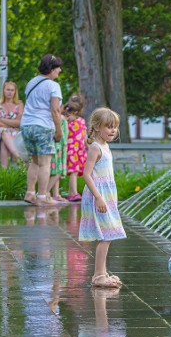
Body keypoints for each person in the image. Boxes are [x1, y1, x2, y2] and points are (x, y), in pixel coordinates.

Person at [79, 108, 127, 287]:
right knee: (105, 236)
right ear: (97, 127)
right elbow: (86, 174)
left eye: (115, 127)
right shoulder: (95, 147)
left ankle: (102, 273)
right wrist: (98, 198)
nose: (113, 130)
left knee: (106, 235)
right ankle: (99, 276)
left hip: (106, 195)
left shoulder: (105, 146)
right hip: (97, 195)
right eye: (109, 127)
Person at [20, 53, 64, 206]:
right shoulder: (53, 86)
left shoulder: (31, 82)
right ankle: (42, 197)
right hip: (43, 127)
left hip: (26, 125)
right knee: (45, 163)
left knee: (35, 162)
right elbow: (55, 110)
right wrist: (59, 130)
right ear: (51, 69)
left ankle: (30, 193)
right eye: (58, 68)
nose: (59, 71)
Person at [0, 80, 24, 168]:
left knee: (4, 143)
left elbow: (20, 123)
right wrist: (12, 123)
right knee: (3, 131)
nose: (10, 92)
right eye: (8, 90)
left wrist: (2, 119)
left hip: (15, 132)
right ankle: (18, 156)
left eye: (12, 90)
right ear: (3, 91)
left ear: (15, 92)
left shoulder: (19, 104)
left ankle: (4, 173)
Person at [65, 96, 87, 202]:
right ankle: (74, 193)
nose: (72, 114)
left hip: (80, 151)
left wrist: (88, 145)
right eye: (70, 110)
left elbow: (85, 134)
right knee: (73, 171)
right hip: (71, 150)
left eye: (74, 111)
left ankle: (70, 193)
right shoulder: (67, 122)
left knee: (77, 172)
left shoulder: (82, 121)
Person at [48, 104, 70, 203]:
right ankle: (44, 192)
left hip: (57, 148)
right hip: (58, 148)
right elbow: (63, 136)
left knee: (55, 172)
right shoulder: (60, 119)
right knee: (57, 172)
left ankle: (56, 194)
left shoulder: (51, 118)